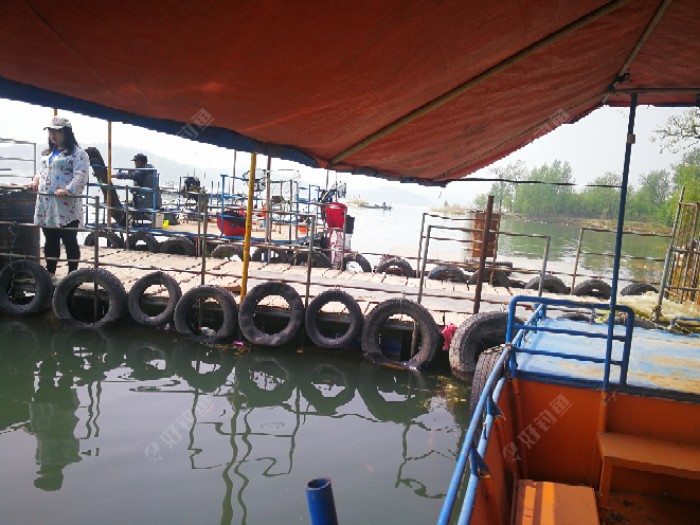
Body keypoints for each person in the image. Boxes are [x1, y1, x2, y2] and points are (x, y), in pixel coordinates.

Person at [29, 116, 89, 280]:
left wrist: (68, 190)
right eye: (50, 131)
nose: (53, 135)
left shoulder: (78, 154)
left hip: (66, 206)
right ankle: (50, 271)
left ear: (66, 133)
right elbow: (41, 172)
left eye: (57, 131)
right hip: (47, 204)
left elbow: (81, 176)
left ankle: (72, 273)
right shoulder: (47, 153)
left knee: (69, 239)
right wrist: (35, 181)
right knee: (50, 238)